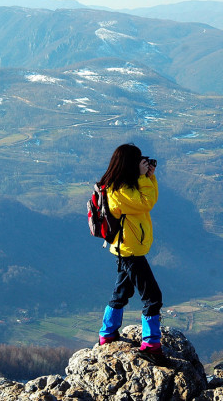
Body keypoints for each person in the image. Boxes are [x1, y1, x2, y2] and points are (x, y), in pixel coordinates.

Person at [97, 143, 163, 360]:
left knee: (122, 293)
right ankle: (151, 346)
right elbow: (146, 203)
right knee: (153, 297)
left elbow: (147, 201)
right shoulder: (119, 190)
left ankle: (107, 334)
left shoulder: (125, 185)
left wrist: (148, 177)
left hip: (128, 248)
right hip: (129, 250)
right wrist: (145, 178)